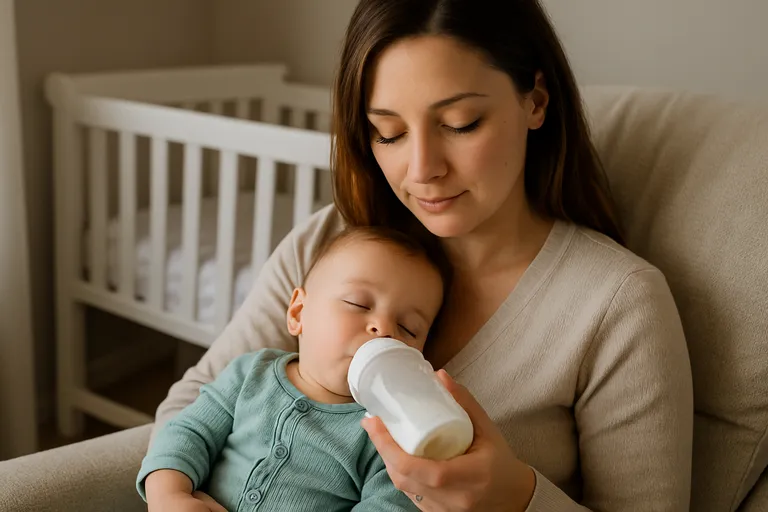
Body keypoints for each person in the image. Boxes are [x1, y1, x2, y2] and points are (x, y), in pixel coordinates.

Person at [151, 1, 694, 510]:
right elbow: (200, 400)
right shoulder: (332, 243)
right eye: (388, 133)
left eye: (460, 124)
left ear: (535, 100)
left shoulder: (618, 304)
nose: (421, 169)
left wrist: (517, 497)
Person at [138, 226, 447, 511]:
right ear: (299, 312)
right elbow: (188, 433)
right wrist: (169, 494)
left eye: (408, 328)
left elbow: (389, 505)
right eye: (359, 304)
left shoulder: (390, 435)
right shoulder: (250, 374)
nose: (383, 328)